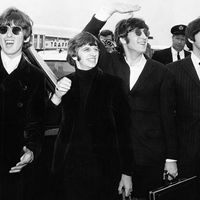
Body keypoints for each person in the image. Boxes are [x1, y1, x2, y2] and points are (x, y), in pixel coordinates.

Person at [83, 3, 178, 199]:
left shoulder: (162, 72)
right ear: (123, 39)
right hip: (114, 154)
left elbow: (168, 117)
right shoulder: (109, 63)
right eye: (138, 33)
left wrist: (171, 158)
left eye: (146, 33)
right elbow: (86, 36)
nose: (144, 37)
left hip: (150, 155)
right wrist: (110, 10)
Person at [49, 31, 133, 200]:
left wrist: (127, 172)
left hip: (105, 169)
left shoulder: (113, 84)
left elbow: (125, 131)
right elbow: (49, 120)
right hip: (69, 168)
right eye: (86, 49)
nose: (93, 53)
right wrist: (57, 96)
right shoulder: (64, 83)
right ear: (74, 54)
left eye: (95, 49)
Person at [0, 7, 46, 200]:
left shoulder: (36, 77)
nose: (9, 35)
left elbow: (37, 123)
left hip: (15, 165)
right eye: (3, 29)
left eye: (16, 30)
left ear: (26, 37)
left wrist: (32, 151)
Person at [166, 17, 200, 200]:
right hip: (187, 153)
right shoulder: (172, 70)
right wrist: (170, 158)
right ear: (191, 39)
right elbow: (167, 117)